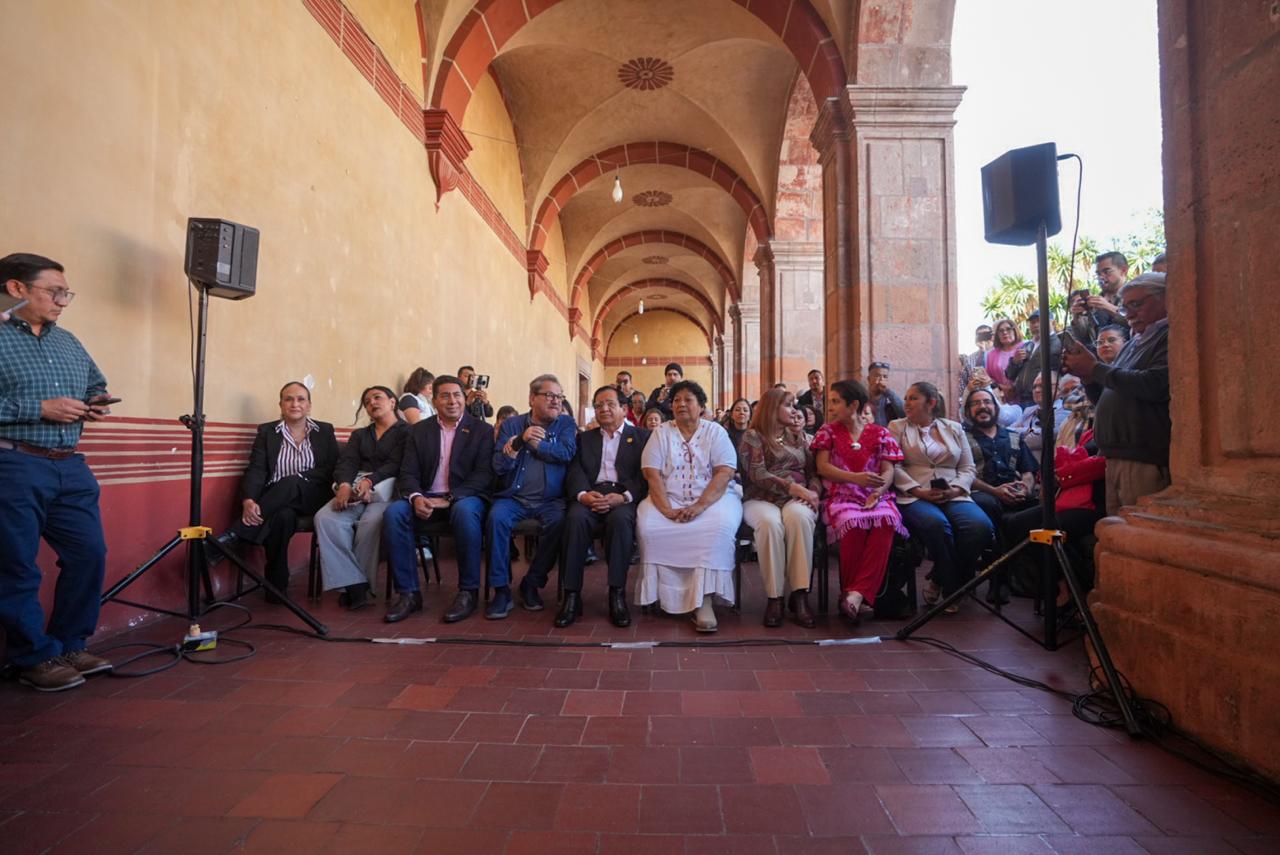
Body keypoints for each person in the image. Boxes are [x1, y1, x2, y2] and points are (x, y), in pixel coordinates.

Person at [0, 253, 115, 692]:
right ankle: (33, 656)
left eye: (66, 292)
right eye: (54, 291)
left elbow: (93, 383)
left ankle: (70, 644)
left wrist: (98, 400)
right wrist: (39, 409)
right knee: (16, 567)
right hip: (14, 463)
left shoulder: (68, 341)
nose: (63, 301)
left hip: (70, 466)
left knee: (89, 555)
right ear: (17, 289)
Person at [382, 375, 494, 623]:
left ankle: (468, 591)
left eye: (457, 395)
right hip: (427, 496)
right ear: (434, 401)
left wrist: (452, 498)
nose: (452, 401)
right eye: (445, 396)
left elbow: (484, 475)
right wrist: (416, 497)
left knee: (464, 512)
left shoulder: (482, 431)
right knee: (394, 513)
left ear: (464, 399)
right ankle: (409, 593)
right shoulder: (419, 431)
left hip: (465, 496)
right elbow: (407, 472)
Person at [636, 380, 742, 632]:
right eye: (676, 400)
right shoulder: (661, 432)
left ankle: (704, 600)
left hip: (714, 499)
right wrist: (666, 510)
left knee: (717, 527)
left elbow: (725, 472)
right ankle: (665, 595)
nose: (681, 404)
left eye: (688, 400)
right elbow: (651, 474)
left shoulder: (715, 432)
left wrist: (699, 506)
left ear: (702, 407)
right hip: (667, 498)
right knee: (650, 525)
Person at [218, 382, 340, 600]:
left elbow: (332, 469)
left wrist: (301, 478)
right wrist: (248, 500)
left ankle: (236, 534)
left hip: (314, 496)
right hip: (277, 500)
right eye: (288, 399)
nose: (295, 404)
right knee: (282, 518)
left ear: (309, 405)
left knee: (292, 482)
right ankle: (276, 585)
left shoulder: (324, 430)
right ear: (281, 404)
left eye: (301, 399)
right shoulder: (267, 432)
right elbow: (256, 469)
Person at [1063, 272, 1170, 514]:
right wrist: (1088, 377)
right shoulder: (1135, 342)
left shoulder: (1170, 335)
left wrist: (1096, 368)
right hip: (1115, 458)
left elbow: (1156, 384)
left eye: (1136, 304)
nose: (1129, 314)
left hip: (1145, 460)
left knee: (1143, 536)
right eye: (1125, 307)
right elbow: (1105, 397)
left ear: (1167, 298)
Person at [889, 382, 993, 614]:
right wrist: (917, 490)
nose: (906, 402)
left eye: (913, 398)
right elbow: (892, 466)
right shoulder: (896, 427)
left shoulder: (954, 428)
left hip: (953, 493)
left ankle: (939, 577)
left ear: (931, 403)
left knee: (980, 527)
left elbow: (968, 467)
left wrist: (956, 489)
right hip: (915, 495)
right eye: (906, 398)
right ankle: (953, 589)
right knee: (937, 524)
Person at [812, 379, 907, 624]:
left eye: (835, 401)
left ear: (853, 404)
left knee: (885, 521)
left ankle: (854, 595)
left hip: (875, 496)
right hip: (841, 496)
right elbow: (823, 467)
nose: (830, 407)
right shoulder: (827, 432)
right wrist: (856, 478)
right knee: (853, 524)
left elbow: (888, 471)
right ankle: (857, 596)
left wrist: (877, 491)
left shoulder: (880, 433)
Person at [556, 385, 650, 628]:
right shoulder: (584, 438)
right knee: (574, 520)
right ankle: (572, 595)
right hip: (591, 494)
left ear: (624, 409)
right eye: (598, 406)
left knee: (621, 521)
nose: (604, 409)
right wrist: (583, 495)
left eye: (610, 404)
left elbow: (646, 475)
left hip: (621, 497)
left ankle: (616, 594)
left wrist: (625, 496)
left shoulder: (642, 438)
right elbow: (574, 470)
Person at [488, 374, 578, 618]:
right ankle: (501, 590)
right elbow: (499, 465)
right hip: (513, 499)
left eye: (559, 397)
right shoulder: (512, 425)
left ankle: (532, 583)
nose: (556, 401)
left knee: (560, 523)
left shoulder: (566, 424)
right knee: (496, 519)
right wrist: (518, 442)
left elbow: (567, 453)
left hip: (550, 501)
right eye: (549, 395)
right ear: (532, 398)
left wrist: (537, 445)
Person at [313, 385, 408, 610]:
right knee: (325, 518)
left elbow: (396, 464)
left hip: (387, 492)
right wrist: (345, 485)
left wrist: (370, 481)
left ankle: (359, 590)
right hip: (355, 489)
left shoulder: (408, 432)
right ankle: (355, 583)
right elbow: (347, 462)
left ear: (392, 402)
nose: (372, 403)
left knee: (370, 523)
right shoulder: (360, 435)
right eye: (367, 401)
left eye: (377, 398)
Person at [739, 387, 821, 628]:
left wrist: (813, 492)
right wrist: (795, 489)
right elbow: (757, 473)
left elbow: (814, 472)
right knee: (770, 524)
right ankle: (775, 597)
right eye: (789, 405)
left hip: (798, 497)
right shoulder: (752, 436)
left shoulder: (800, 437)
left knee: (798, 519)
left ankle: (800, 594)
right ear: (772, 409)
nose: (795, 411)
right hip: (760, 497)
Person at [963, 387, 1037, 587]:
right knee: (989, 505)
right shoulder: (961, 437)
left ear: (995, 407)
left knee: (1041, 508)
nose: (982, 407)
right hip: (981, 493)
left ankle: (1033, 575)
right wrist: (995, 491)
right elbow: (963, 476)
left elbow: (1029, 472)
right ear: (968, 411)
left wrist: (1026, 488)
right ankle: (1000, 578)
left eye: (987, 402)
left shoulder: (1013, 436)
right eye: (975, 403)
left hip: (1015, 494)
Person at [1007, 309, 1062, 407]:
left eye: (1040, 321)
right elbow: (1009, 375)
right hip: (1022, 399)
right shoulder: (1026, 345)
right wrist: (1015, 362)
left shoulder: (1058, 342)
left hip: (1044, 399)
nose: (1036, 325)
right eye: (1032, 322)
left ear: (1053, 323)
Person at [1014, 374, 1067, 465]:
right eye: (1034, 387)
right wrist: (1029, 431)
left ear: (1058, 389)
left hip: (1047, 468)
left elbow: (1040, 438)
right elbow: (1009, 432)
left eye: (1042, 386)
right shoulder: (1029, 410)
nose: (1037, 390)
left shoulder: (1064, 411)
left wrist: (1020, 433)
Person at [984, 319, 1026, 403]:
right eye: (1001, 331)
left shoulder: (1026, 346)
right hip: (1001, 400)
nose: (1005, 333)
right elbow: (988, 378)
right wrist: (1000, 387)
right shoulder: (991, 355)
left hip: (1024, 398)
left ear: (1015, 330)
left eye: (1008, 329)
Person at [1089, 251, 1130, 327]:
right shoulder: (1096, 301)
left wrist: (1109, 307)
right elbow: (1086, 335)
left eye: (1106, 271)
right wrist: (1077, 317)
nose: (1101, 277)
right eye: (1098, 274)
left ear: (1123, 270)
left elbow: (1143, 322)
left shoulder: (1136, 295)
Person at [958, 324, 994, 406]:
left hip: (995, 399)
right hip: (975, 400)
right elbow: (963, 383)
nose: (983, 339)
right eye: (980, 336)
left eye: (986, 335)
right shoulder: (970, 359)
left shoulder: (999, 356)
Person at [867, 361, 905, 427]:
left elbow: (903, 414)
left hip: (887, 435)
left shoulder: (890, 398)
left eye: (885, 377)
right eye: (877, 376)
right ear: (869, 379)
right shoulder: (863, 397)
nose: (881, 380)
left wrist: (888, 392)